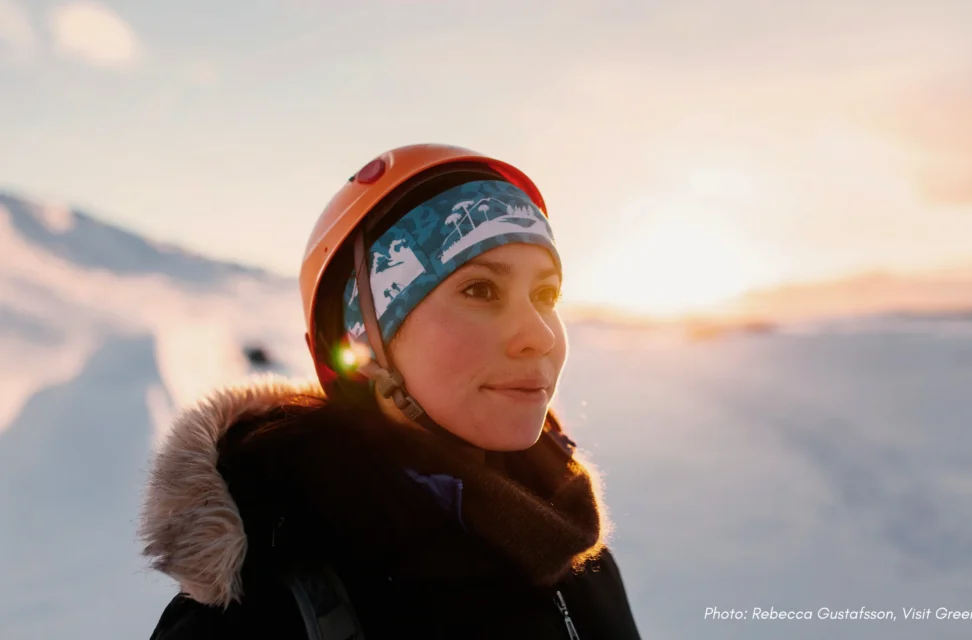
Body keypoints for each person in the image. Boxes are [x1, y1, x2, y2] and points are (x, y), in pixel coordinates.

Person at [140, 143, 643, 639]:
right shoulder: (263, 614)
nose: (542, 334)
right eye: (480, 289)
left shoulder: (568, 539)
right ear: (363, 342)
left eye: (545, 295)